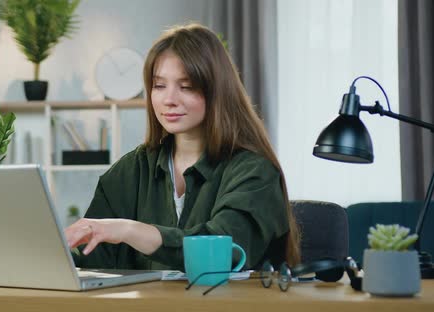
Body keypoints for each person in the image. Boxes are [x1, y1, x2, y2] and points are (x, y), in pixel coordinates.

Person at [64, 23, 300, 271]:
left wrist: (128, 229)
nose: (169, 100)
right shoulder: (132, 169)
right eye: (159, 85)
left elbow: (225, 251)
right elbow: (93, 262)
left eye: (186, 87)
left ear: (217, 92)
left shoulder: (255, 172)